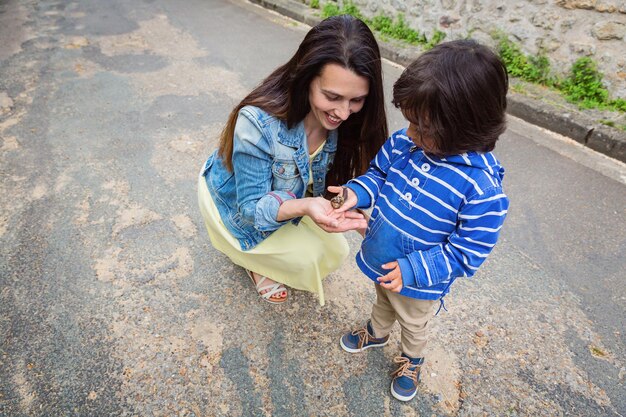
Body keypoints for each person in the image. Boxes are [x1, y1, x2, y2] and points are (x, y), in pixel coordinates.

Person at [332, 39, 510, 401]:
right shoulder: (404, 144)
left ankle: (411, 360)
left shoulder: (480, 190)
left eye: (423, 127)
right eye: (411, 121)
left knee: (413, 323)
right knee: (381, 300)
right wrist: (356, 193)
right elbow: (378, 175)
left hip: (419, 280)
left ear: (467, 128)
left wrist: (414, 269)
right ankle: (377, 332)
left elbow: (467, 252)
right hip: (382, 256)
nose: (411, 133)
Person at [197, 15, 388, 306]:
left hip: (286, 199)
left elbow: (329, 187)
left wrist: (356, 214)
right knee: (310, 257)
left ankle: (271, 253)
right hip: (235, 207)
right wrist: (306, 205)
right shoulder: (257, 122)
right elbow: (250, 209)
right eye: (332, 96)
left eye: (356, 100)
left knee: (335, 251)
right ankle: (251, 259)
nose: (344, 112)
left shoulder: (350, 122)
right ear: (307, 77)